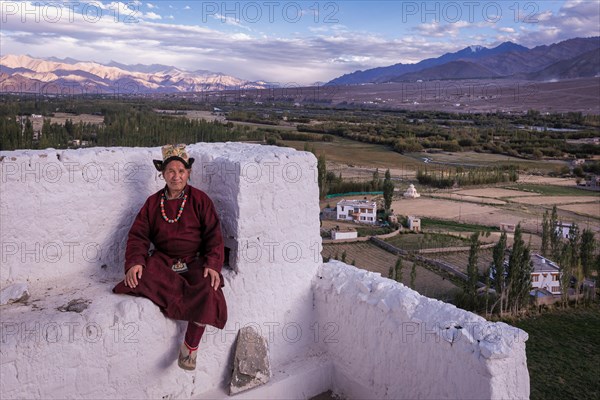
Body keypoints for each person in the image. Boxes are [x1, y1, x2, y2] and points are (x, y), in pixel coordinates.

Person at [113, 144, 227, 371]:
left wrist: (213, 263)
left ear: (189, 173)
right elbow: (138, 236)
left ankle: (190, 347)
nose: (176, 177)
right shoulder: (153, 203)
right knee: (139, 278)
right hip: (164, 260)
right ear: (163, 174)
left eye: (181, 171)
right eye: (171, 171)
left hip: (194, 260)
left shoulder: (200, 200)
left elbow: (214, 235)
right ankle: (180, 298)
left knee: (209, 287)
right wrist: (135, 261)